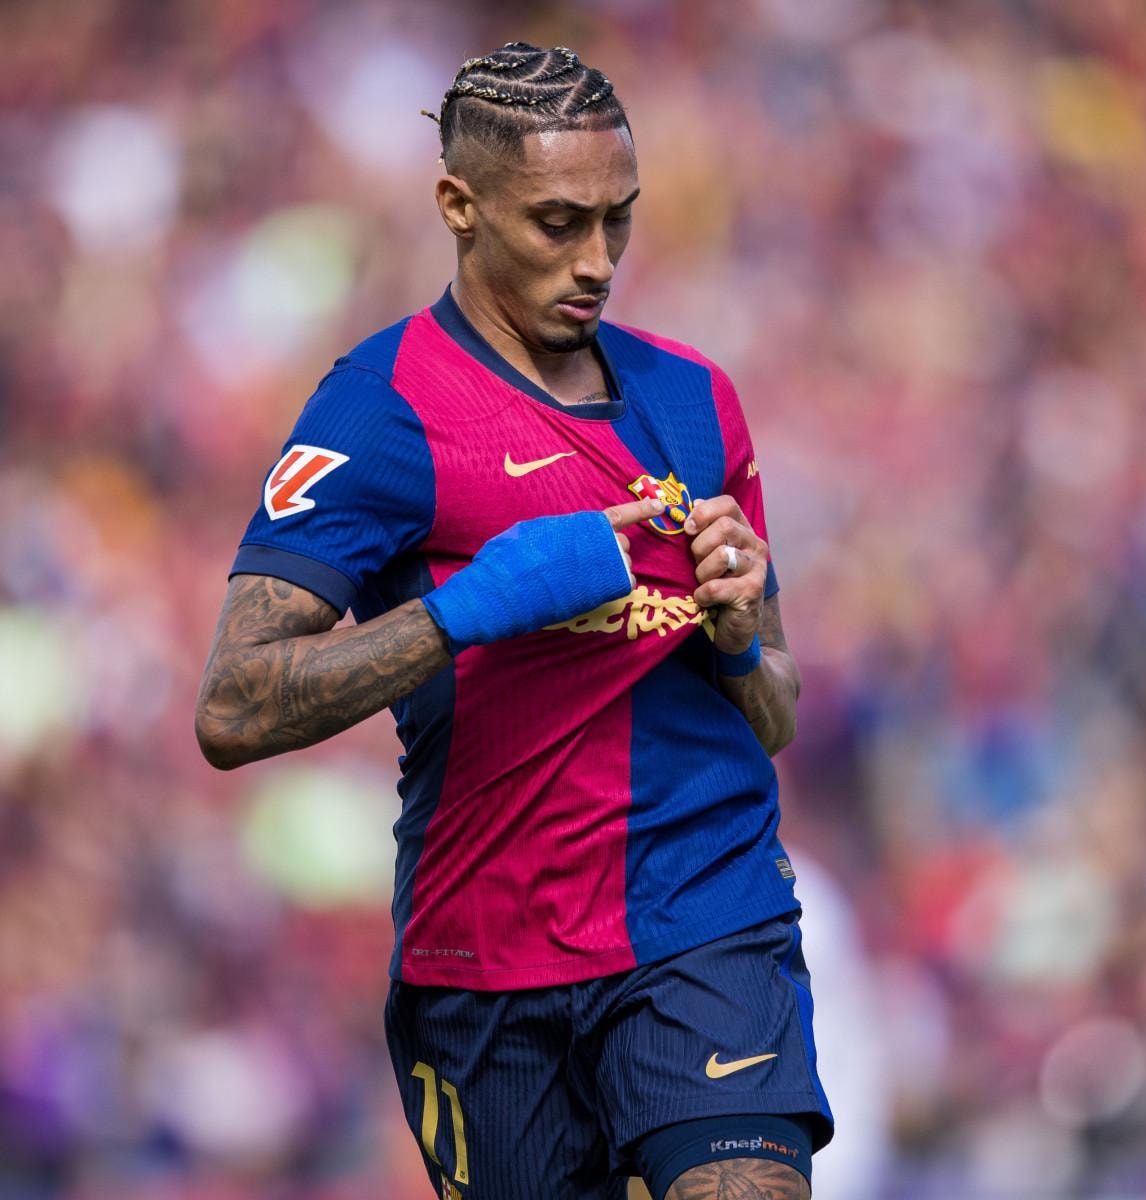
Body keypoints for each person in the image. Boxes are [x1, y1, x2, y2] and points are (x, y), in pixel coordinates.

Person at [195, 41, 833, 1200]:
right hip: (484, 958)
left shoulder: (695, 399)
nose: (597, 260)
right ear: (459, 204)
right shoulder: (380, 410)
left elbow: (775, 713)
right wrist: (468, 609)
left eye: (617, 219)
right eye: (557, 223)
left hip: (705, 915)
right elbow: (233, 708)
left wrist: (743, 638)